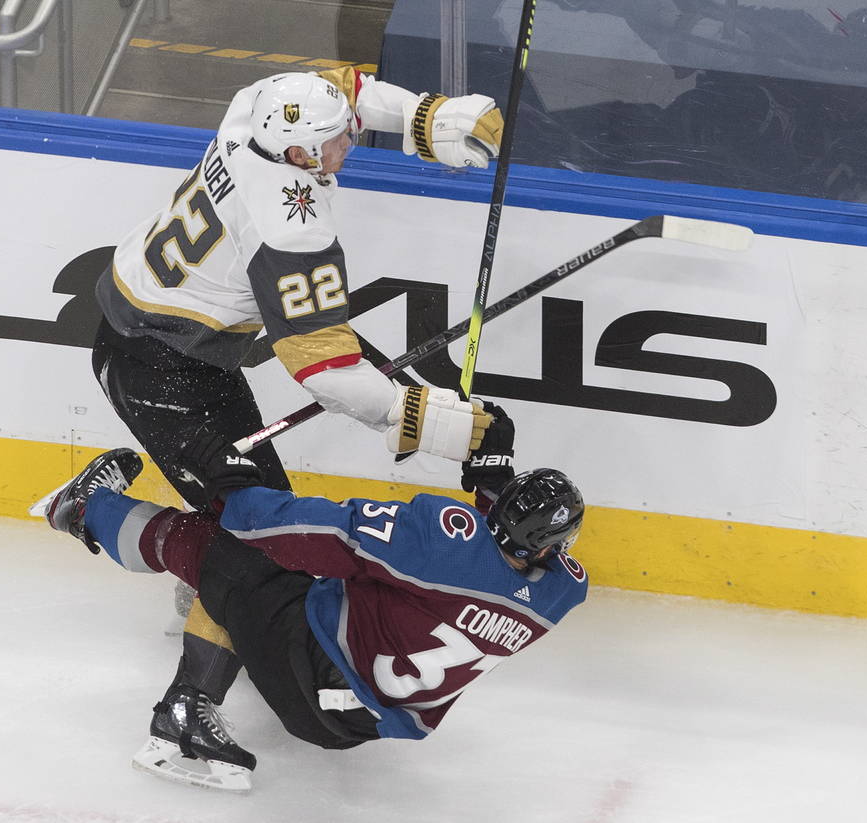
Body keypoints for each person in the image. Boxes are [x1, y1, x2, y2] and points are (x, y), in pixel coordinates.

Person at [90, 66, 508, 737]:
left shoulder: (254, 106)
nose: (348, 143)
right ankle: (184, 710)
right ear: (296, 155)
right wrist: (434, 423)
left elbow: (343, 85)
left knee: (252, 517)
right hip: (163, 371)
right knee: (259, 537)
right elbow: (326, 372)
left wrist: (429, 119)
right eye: (335, 141)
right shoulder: (290, 220)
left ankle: (197, 579)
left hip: (160, 339)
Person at [41, 405, 589, 792]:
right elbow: (504, 561)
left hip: (310, 674)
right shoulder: (563, 591)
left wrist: (233, 483)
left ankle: (86, 508)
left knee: (234, 551)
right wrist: (495, 472)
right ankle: (224, 616)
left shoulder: (442, 540)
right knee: (287, 586)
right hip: (359, 724)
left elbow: (308, 532)